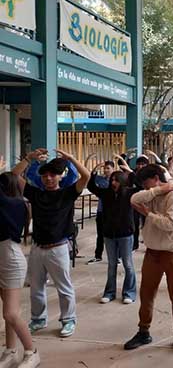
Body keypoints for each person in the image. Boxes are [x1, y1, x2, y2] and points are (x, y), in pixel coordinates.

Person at [12, 148, 90, 338]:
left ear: (60, 177)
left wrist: (71, 158)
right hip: (37, 248)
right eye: (45, 175)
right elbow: (13, 177)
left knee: (64, 287)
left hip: (59, 248)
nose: (48, 178)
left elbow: (86, 176)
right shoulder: (35, 193)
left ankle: (68, 320)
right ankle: (38, 319)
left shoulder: (68, 193)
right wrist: (28, 158)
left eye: (53, 175)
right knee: (36, 288)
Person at [124, 164, 173, 353]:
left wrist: (148, 214)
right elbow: (133, 199)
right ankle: (143, 331)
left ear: (155, 177)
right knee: (146, 295)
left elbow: (170, 224)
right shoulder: (155, 193)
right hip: (152, 252)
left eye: (146, 183)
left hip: (172, 252)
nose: (145, 188)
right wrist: (157, 189)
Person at [0, 172, 40, 368]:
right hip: (2, 257)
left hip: (10, 259)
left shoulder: (15, 205)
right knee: (8, 311)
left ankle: (32, 352)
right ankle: (10, 350)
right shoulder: (10, 204)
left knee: (10, 313)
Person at [87, 167, 137, 305]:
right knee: (111, 265)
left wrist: (130, 171)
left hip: (125, 234)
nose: (113, 182)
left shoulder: (129, 193)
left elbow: (140, 186)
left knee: (128, 264)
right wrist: (93, 173)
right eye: (112, 180)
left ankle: (129, 293)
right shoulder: (106, 193)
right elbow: (92, 187)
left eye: (116, 180)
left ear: (122, 181)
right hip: (109, 234)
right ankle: (109, 293)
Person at [87, 160, 115, 265]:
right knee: (100, 234)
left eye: (108, 168)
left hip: (112, 212)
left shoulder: (116, 181)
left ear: (113, 169)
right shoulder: (101, 179)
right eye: (105, 168)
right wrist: (95, 168)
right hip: (101, 210)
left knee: (113, 235)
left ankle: (116, 257)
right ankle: (98, 255)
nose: (106, 170)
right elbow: (91, 180)